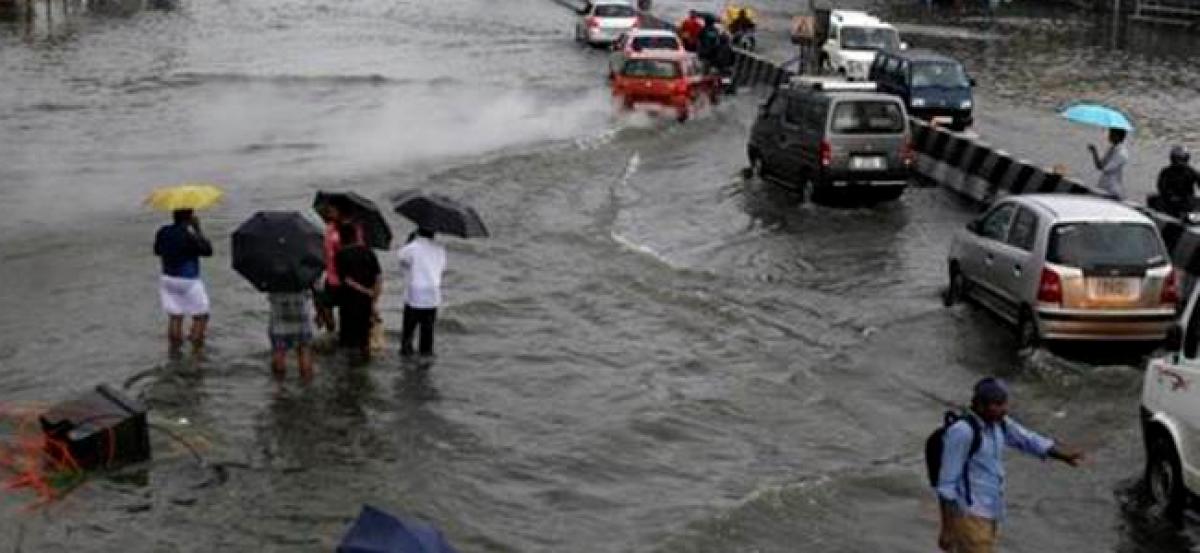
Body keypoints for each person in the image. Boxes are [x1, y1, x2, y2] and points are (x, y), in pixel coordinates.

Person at [936, 377, 1084, 553]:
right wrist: (947, 528)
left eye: (1004, 404)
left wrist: (1061, 455)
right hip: (970, 514)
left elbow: (1028, 439)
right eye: (998, 405)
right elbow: (946, 485)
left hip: (991, 511)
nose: (1004, 409)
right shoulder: (962, 432)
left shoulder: (999, 423)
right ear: (981, 405)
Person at [153, 208, 213, 351]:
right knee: (201, 316)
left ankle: (174, 349)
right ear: (189, 217)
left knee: (175, 316)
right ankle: (196, 350)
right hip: (188, 279)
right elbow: (207, 251)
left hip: (168, 278)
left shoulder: (163, 231)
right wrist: (198, 229)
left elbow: (157, 250)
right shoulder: (189, 235)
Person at [396, 228, 447, 358]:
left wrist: (408, 242)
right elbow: (441, 267)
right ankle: (425, 362)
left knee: (408, 332)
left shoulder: (412, 247)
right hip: (433, 295)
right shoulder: (440, 249)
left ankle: (406, 359)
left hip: (415, 295)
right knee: (427, 333)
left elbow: (401, 258)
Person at [334, 223, 381, 360]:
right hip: (366, 302)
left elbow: (346, 280)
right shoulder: (369, 252)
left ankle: (351, 370)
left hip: (348, 300)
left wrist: (364, 291)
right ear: (356, 235)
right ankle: (365, 363)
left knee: (348, 338)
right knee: (365, 336)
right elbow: (378, 277)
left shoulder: (341, 254)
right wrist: (374, 298)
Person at [268, 290, 315, 382]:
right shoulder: (304, 276)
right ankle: (306, 384)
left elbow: (270, 296)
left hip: (279, 320)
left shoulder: (274, 277)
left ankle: (280, 387)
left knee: (279, 349)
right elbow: (315, 290)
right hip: (301, 318)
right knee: (303, 349)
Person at [1152, 145, 1200, 219]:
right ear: (1172, 159)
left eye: (1181, 159)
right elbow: (1161, 187)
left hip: (1187, 201)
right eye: (1177, 159)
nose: (1179, 162)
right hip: (1170, 201)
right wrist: (1170, 196)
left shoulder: (1192, 172)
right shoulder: (1166, 172)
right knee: (1153, 199)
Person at [1088, 127, 1129, 201]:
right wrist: (1094, 152)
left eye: (1112, 133)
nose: (1109, 135)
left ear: (1118, 136)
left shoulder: (1121, 153)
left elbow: (1105, 169)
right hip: (1104, 185)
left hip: (1112, 189)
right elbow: (1099, 166)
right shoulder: (1112, 149)